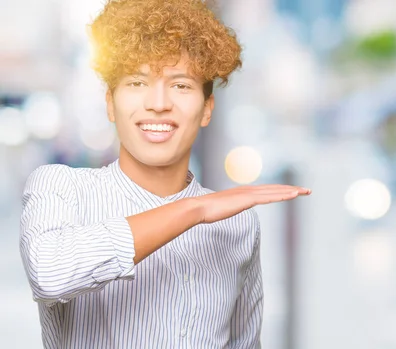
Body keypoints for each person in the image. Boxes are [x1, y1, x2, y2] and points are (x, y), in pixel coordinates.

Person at [19, 0, 311, 348]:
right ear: (110, 103)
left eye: (181, 85)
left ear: (206, 110)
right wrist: (192, 211)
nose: (158, 102)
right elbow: (49, 274)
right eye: (138, 83)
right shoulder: (62, 188)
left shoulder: (237, 225)